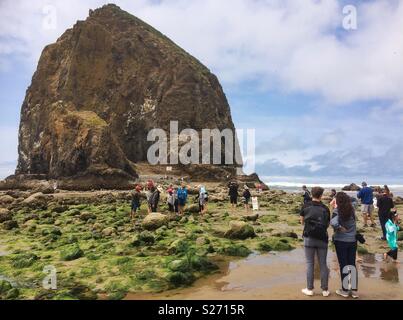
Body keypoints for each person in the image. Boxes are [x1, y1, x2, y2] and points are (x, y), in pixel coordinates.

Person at [300, 187, 330, 297]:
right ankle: (325, 290)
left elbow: (302, 221)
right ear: (321, 195)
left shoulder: (306, 205)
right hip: (322, 238)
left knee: (309, 263)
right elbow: (327, 224)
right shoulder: (325, 208)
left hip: (309, 237)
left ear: (311, 194)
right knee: (323, 264)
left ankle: (309, 289)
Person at [331, 192, 359, 299]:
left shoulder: (337, 211)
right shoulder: (352, 210)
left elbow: (333, 223)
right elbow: (355, 201)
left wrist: (339, 228)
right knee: (352, 264)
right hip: (352, 240)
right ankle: (354, 291)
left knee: (344, 265)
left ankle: (345, 290)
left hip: (341, 241)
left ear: (338, 201)